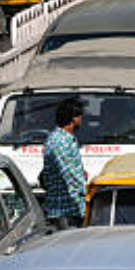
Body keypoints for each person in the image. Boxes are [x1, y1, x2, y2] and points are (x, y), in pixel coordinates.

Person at [40, 98, 87, 230]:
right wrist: (89, 192)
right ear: (73, 119)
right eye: (79, 116)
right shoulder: (60, 142)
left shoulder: (66, 139)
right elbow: (69, 173)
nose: (81, 119)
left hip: (72, 208)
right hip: (64, 211)